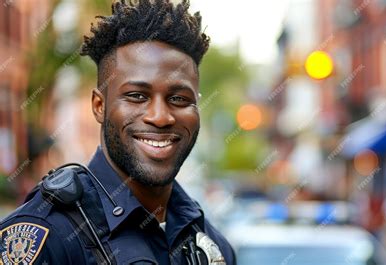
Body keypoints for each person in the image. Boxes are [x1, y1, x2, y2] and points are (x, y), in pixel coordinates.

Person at [0, 0, 235, 264]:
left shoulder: (211, 246)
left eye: (179, 99)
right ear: (99, 106)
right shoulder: (45, 240)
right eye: (137, 96)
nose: (160, 117)